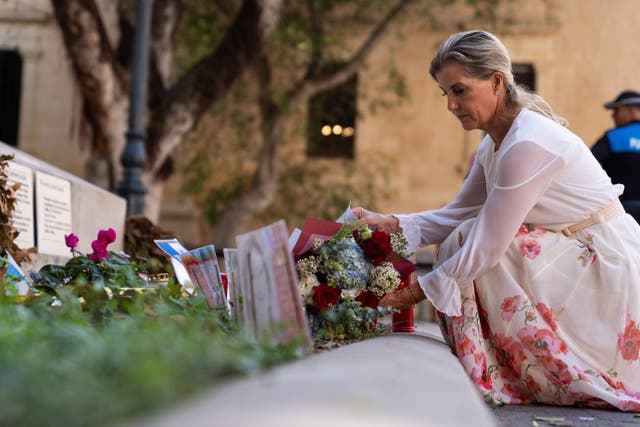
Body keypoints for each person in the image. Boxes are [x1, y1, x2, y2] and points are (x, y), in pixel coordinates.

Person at [353, 30, 640, 411]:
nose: (452, 105)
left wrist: (410, 294)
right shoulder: (496, 140)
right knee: (463, 234)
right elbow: (456, 212)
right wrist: (387, 223)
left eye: (459, 90)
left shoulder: (527, 142)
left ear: (496, 82)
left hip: (605, 264)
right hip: (573, 253)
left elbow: (487, 244)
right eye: (446, 94)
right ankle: (514, 368)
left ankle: (525, 372)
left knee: (470, 241)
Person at [591, 90, 640, 222]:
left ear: (631, 109)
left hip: (621, 210)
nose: (613, 116)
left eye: (616, 111)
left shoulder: (613, 136)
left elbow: (588, 163)